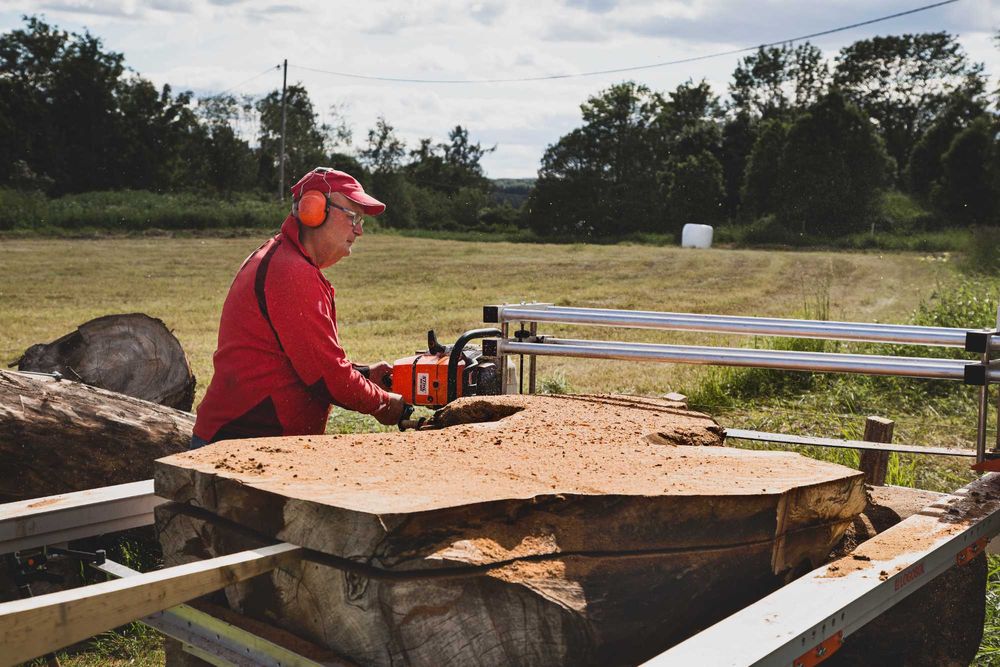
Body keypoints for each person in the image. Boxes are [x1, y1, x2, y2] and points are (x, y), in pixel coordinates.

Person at [190, 167, 408, 448]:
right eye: (353, 217)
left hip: (247, 438)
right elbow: (328, 377)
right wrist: (384, 404)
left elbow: (297, 361)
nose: (359, 230)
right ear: (313, 210)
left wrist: (363, 374)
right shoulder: (292, 272)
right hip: (243, 444)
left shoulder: (284, 258)